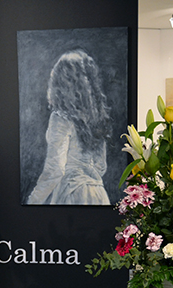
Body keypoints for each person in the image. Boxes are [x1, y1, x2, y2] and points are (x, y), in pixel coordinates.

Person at [27, 49, 111, 205]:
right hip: (98, 194)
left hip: (72, 194)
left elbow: (55, 170)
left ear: (60, 83)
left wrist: (32, 201)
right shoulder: (97, 118)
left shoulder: (60, 118)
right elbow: (101, 166)